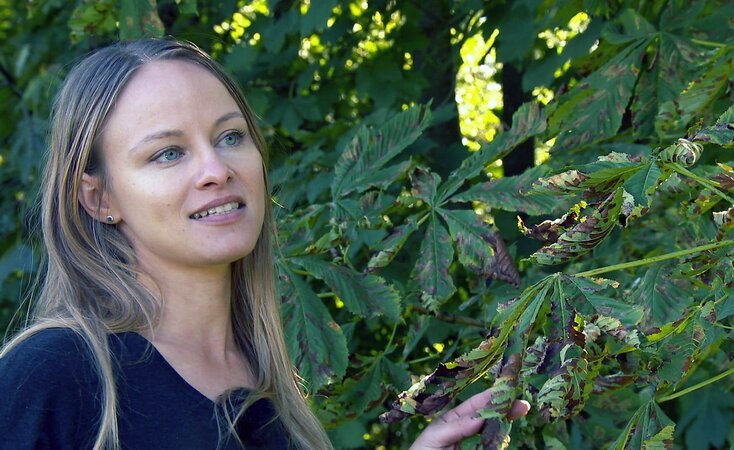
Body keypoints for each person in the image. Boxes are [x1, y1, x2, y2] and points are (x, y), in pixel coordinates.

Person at [0, 38, 528, 449]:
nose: (216, 169)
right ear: (98, 198)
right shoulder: (57, 374)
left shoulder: (266, 378)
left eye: (230, 137)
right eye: (168, 153)